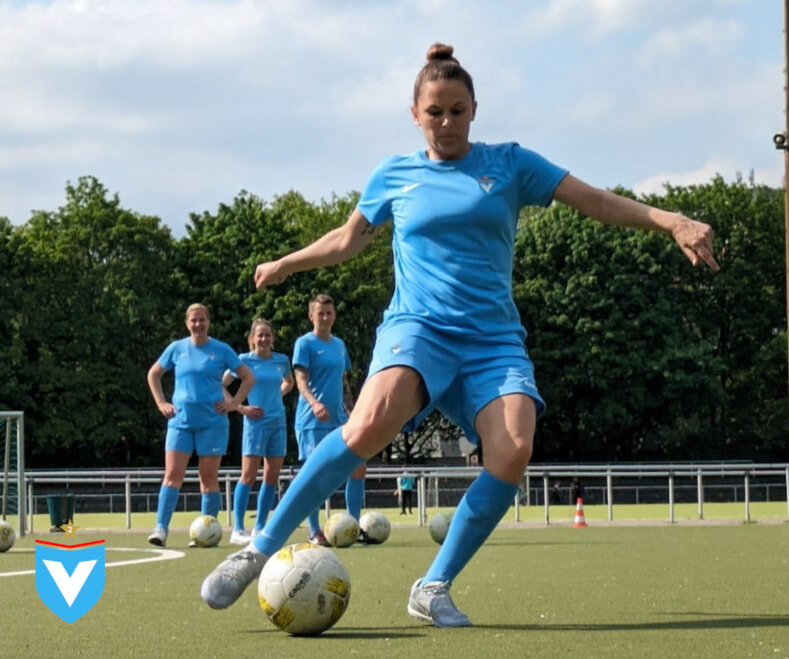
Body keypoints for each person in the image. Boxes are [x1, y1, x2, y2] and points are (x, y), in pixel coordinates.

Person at [201, 42, 717, 625]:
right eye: (434, 112)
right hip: (417, 329)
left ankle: (433, 585)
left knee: (513, 449)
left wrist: (672, 220)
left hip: (493, 341)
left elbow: (594, 200)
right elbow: (349, 239)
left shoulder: (510, 164)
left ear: (475, 109)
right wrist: (288, 263)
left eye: (457, 110)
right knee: (367, 424)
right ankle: (256, 551)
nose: (446, 123)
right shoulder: (394, 173)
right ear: (415, 114)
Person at [147, 303, 254, 547]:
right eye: (193, 320)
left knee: (208, 477)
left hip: (213, 424)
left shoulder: (221, 349)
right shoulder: (176, 348)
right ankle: (161, 529)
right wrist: (161, 402)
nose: (198, 324)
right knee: (172, 475)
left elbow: (248, 377)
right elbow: (153, 374)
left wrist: (235, 403)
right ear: (187, 323)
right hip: (181, 423)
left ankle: (207, 532)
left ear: (209, 321)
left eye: (202, 319)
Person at [291, 294, 359, 546]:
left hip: (339, 419)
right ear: (312, 316)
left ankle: (354, 524)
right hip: (312, 421)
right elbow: (300, 380)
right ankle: (313, 530)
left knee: (357, 465)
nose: (326, 317)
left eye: (329, 313)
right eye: (321, 313)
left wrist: (353, 412)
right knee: (314, 475)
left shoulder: (339, 345)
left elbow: (344, 381)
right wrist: (315, 403)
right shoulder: (304, 343)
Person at [223, 318, 294, 546]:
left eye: (267, 335)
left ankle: (260, 526)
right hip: (254, 424)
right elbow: (219, 384)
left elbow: (288, 382)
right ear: (252, 339)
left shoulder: (282, 360)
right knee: (248, 475)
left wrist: (277, 397)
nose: (264, 339)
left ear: (272, 338)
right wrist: (240, 407)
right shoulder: (243, 360)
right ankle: (238, 528)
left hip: (278, 422)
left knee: (271, 476)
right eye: (259, 335)